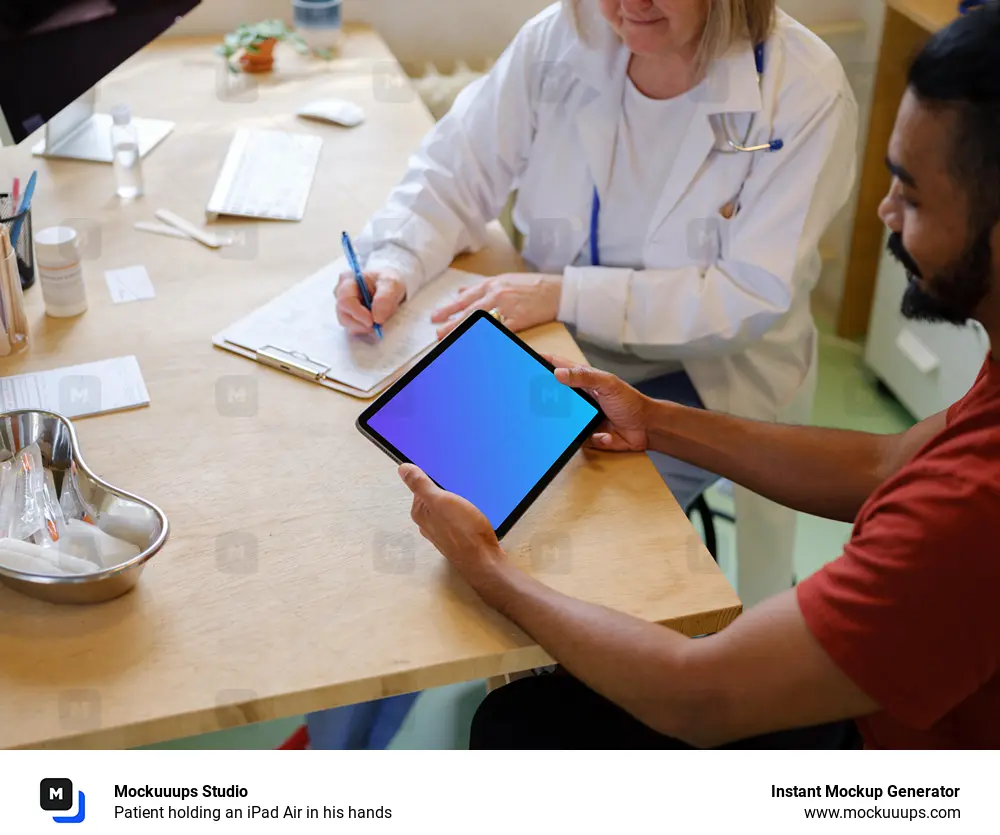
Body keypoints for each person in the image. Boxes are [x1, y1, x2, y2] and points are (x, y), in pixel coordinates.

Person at [393, 1, 1000, 749]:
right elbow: (890, 460)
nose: (882, 213)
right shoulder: (986, 397)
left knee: (518, 713)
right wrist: (659, 420)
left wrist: (489, 570)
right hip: (596, 360)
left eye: (910, 194)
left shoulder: (973, 509)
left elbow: (697, 695)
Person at [308, 0, 858, 750]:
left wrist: (568, 292)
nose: (625, 7)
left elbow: (748, 295)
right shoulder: (561, 38)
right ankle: (332, 752)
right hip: (551, 339)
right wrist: (394, 261)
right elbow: (455, 168)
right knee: (411, 508)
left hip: (700, 373)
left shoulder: (801, 84)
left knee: (534, 547)